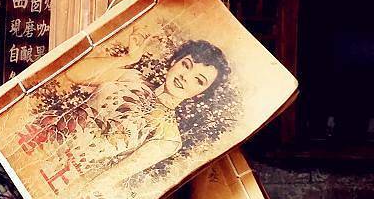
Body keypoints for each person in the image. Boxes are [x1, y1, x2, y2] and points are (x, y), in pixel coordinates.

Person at [27, 34, 231, 188]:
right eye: (186, 65)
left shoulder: (169, 138)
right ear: (173, 63)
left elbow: (112, 176)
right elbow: (73, 73)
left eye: (198, 80)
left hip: (65, 175)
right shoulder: (132, 77)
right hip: (39, 141)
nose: (186, 77)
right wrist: (129, 57)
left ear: (201, 95)